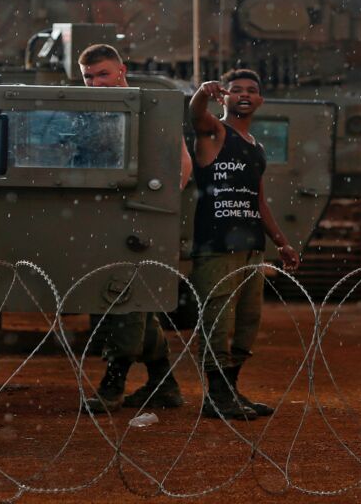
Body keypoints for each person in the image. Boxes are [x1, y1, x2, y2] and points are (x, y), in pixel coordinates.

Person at [77, 43, 191, 414]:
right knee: (131, 301)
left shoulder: (148, 107)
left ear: (122, 70)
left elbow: (182, 162)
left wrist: (157, 207)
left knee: (122, 302)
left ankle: (114, 382)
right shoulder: (88, 112)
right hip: (103, 220)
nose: (95, 83)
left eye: (103, 74)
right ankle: (164, 381)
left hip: (138, 219)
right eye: (88, 77)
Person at [189, 69, 300, 419]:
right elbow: (195, 116)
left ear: (261, 100)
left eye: (252, 90)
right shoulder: (215, 132)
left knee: (246, 323)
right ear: (224, 98)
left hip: (252, 247)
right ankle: (217, 395)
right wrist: (202, 94)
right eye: (236, 90)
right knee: (217, 320)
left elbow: (260, 202)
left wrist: (282, 244)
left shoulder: (257, 147)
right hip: (216, 245)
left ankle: (230, 389)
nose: (245, 95)